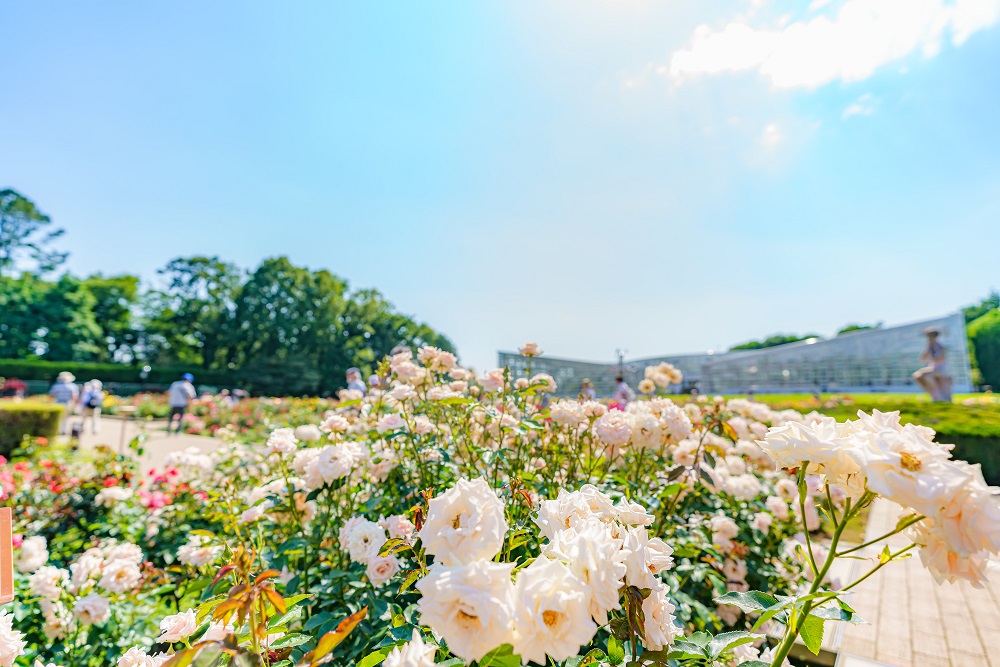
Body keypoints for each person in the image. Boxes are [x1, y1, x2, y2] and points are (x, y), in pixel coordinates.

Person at [913, 328, 953, 402]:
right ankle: (936, 395)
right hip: (933, 369)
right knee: (917, 376)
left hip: (941, 370)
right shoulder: (930, 346)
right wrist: (927, 347)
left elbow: (940, 359)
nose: (928, 338)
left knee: (924, 375)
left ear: (934, 336)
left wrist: (930, 357)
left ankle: (939, 397)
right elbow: (922, 359)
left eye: (930, 336)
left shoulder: (940, 346)